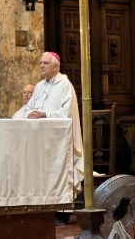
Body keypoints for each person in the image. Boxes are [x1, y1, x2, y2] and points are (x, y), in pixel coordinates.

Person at [22, 52, 84, 196]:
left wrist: (45, 115)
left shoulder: (65, 85)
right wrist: (30, 114)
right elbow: (27, 108)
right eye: (40, 63)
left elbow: (67, 113)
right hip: (38, 139)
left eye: (45, 63)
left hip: (57, 141)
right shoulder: (39, 86)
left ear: (56, 67)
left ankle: (61, 204)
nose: (41, 66)